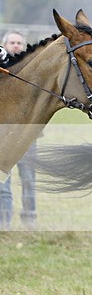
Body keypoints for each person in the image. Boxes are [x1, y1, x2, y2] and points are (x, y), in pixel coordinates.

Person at [0, 30, 38, 231]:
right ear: (4, 45)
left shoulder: (31, 73)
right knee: (2, 184)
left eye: (19, 43)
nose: (16, 46)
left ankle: (29, 222)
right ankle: (4, 225)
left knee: (29, 180)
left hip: (27, 137)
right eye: (12, 42)